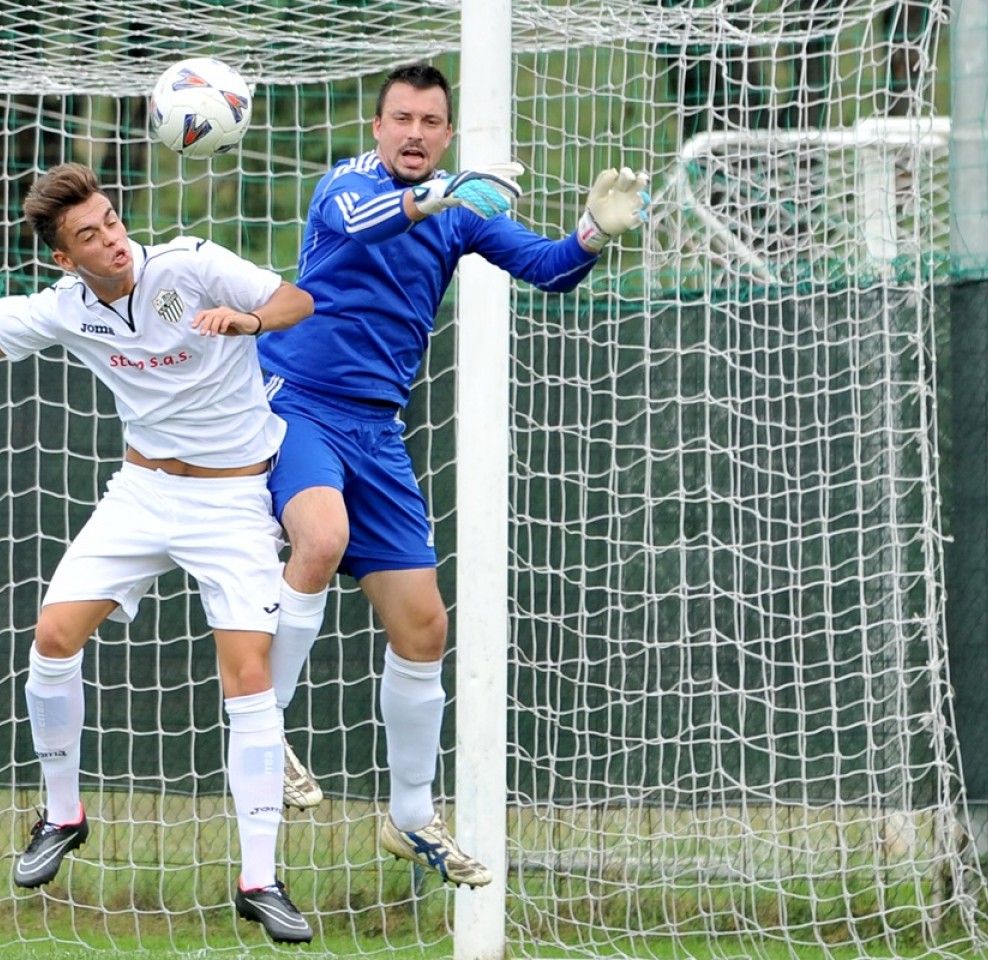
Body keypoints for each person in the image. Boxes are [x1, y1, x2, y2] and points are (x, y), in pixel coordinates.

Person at [0, 162, 316, 943]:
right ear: (63, 257)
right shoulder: (63, 307)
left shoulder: (191, 264)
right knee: (52, 637)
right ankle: (62, 814)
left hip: (231, 501)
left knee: (249, 678)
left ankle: (260, 877)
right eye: (90, 234)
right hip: (142, 493)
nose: (113, 240)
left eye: (113, 221)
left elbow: (296, 299)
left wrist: (247, 322)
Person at [258, 63, 650, 886]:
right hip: (299, 405)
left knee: (426, 628)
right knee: (321, 539)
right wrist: (444, 196)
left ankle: (410, 816)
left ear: (446, 134)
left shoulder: (457, 210)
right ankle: (262, 728)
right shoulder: (347, 186)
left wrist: (593, 233)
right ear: (377, 127)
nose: (413, 132)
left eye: (430, 122)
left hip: (377, 431)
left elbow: (549, 269)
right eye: (400, 118)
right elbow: (367, 222)